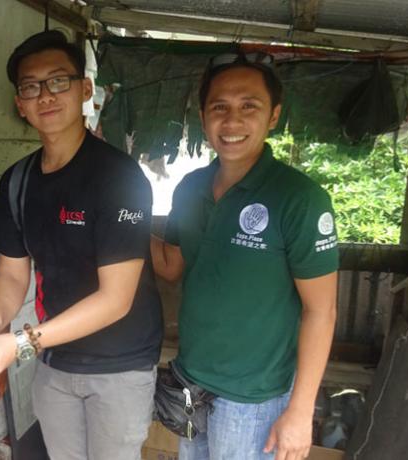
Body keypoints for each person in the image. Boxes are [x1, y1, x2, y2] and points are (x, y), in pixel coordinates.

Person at [0, 30, 163, 460]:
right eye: (31, 87)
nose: (45, 95)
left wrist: (18, 343)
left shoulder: (119, 178)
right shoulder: (17, 181)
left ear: (85, 89)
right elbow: (13, 271)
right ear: (20, 104)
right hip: (54, 365)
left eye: (59, 81)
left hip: (119, 368)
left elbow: (115, 299)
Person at [150, 53, 339, 460]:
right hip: (192, 379)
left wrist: (300, 411)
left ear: (273, 116)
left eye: (248, 106)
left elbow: (321, 312)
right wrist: (120, 220)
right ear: (203, 117)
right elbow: (171, 266)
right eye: (220, 107)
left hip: (255, 397)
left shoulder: (300, 199)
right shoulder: (189, 188)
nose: (232, 122)